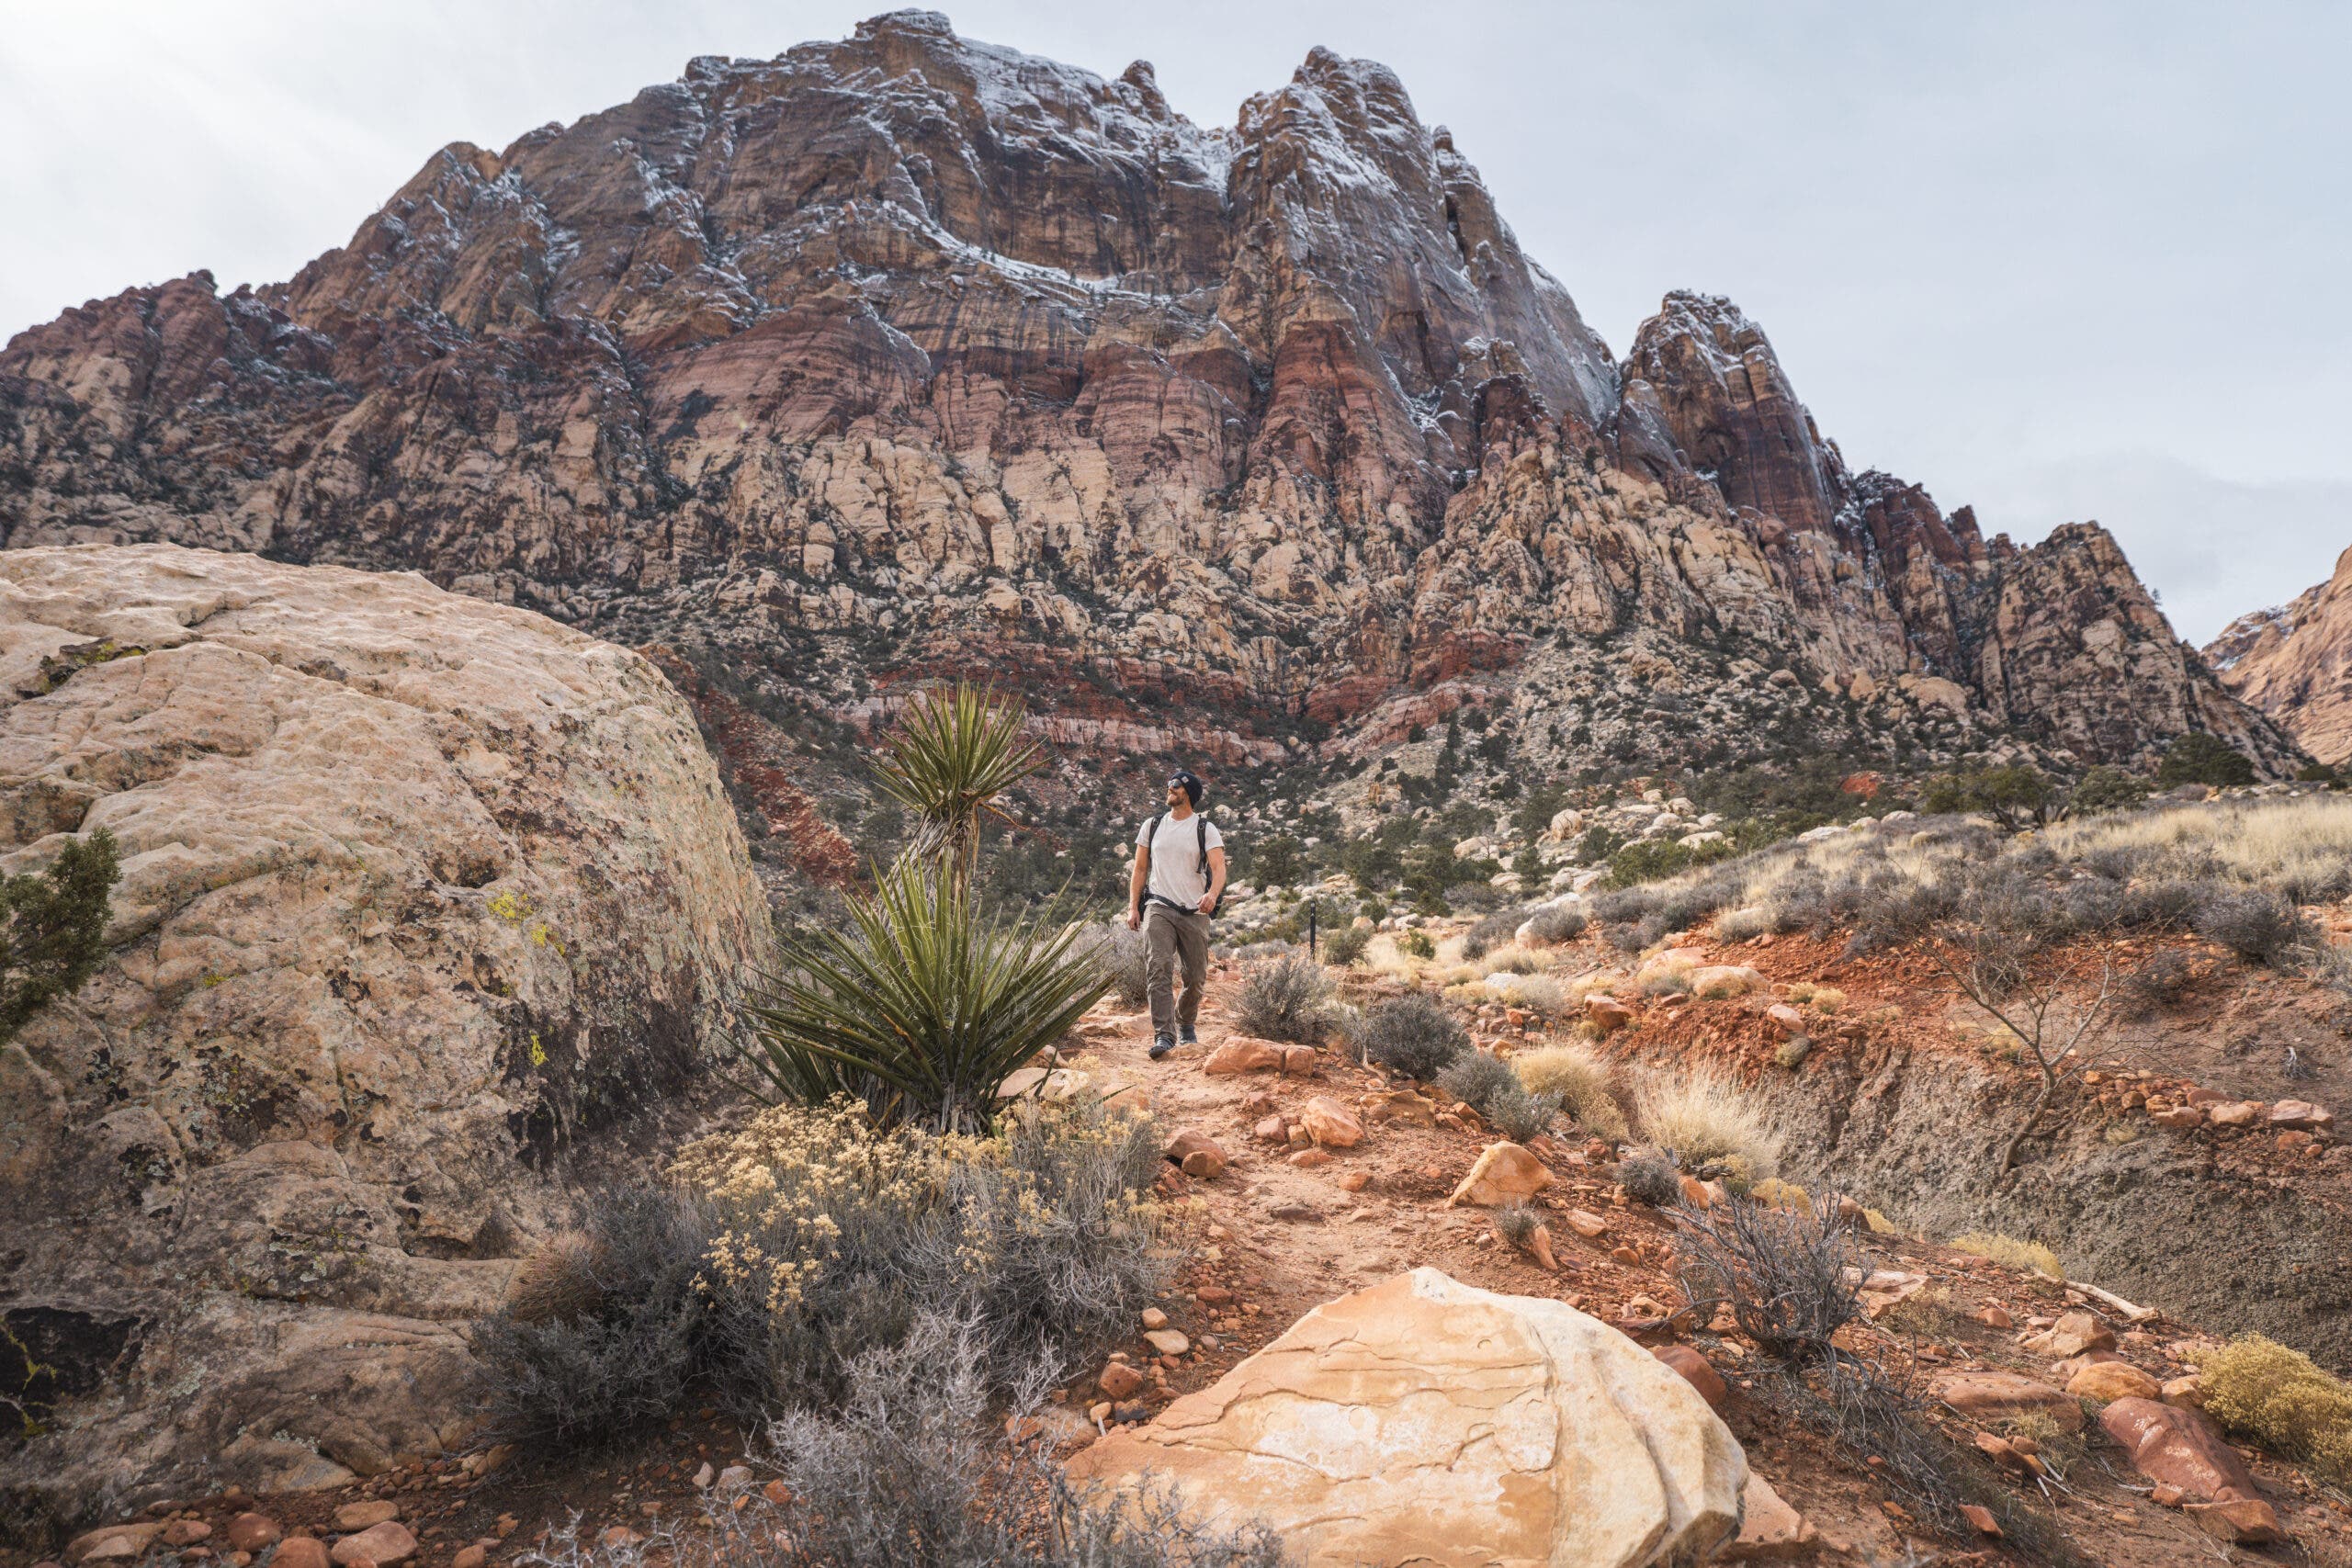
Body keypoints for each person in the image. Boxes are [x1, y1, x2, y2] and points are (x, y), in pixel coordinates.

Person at [1126, 769, 1227, 1059]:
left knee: (1195, 977)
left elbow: (1219, 869)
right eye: (1169, 783)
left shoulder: (1205, 829)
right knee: (1158, 967)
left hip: (1195, 911)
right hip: (1158, 906)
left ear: (1189, 794)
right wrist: (1133, 906)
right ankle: (1164, 1035)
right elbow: (1140, 868)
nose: (1170, 788)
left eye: (1177, 785)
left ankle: (1186, 1024)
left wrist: (1212, 894)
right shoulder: (1152, 825)